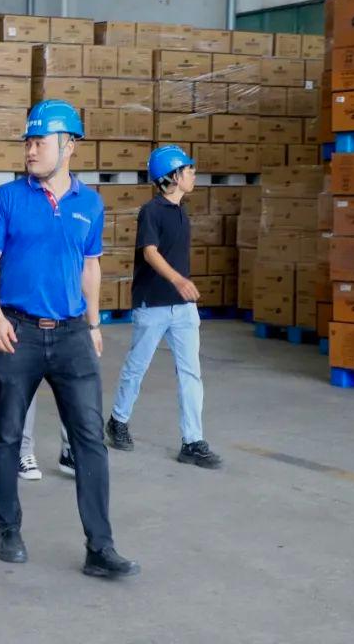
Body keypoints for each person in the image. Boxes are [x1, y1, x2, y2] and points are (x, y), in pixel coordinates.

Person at [0, 100, 139, 579]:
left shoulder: (90, 203)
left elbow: (90, 266)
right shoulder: (7, 198)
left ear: (69, 146)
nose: (30, 150)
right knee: (7, 434)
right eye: (28, 142)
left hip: (71, 335)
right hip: (18, 332)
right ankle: (9, 528)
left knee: (90, 440)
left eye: (39, 142)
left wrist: (93, 323)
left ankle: (100, 548)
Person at [108, 145, 222, 469]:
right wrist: (178, 280)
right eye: (188, 169)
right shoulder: (152, 211)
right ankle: (118, 420)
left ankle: (192, 441)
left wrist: (182, 288)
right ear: (172, 176)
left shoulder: (182, 212)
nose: (193, 173)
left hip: (183, 308)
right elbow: (150, 252)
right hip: (153, 304)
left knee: (191, 373)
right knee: (137, 367)